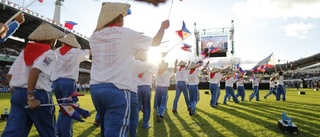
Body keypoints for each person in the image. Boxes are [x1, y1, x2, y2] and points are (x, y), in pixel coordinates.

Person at [89, 2, 169, 136]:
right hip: (117, 89)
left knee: (106, 130)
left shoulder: (94, 36)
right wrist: (162, 28)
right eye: (123, 17)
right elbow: (155, 42)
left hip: (96, 89)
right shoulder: (126, 33)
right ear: (119, 18)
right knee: (117, 132)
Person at [2, 22, 65, 137]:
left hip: (18, 93)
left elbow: (9, 75)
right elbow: (34, 70)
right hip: (37, 94)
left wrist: (16, 93)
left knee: (13, 132)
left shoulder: (23, 52)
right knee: (48, 131)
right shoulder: (50, 54)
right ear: (52, 40)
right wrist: (30, 96)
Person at [50, 34, 91, 137]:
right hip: (68, 83)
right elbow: (88, 53)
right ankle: (65, 134)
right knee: (68, 111)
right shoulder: (76, 52)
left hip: (56, 83)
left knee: (62, 109)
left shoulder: (55, 51)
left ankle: (58, 132)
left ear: (63, 42)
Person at [135, 52, 157, 129]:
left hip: (137, 87)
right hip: (146, 87)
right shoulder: (149, 64)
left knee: (137, 106)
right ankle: (145, 124)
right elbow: (155, 71)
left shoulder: (136, 64)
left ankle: (134, 122)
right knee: (147, 106)